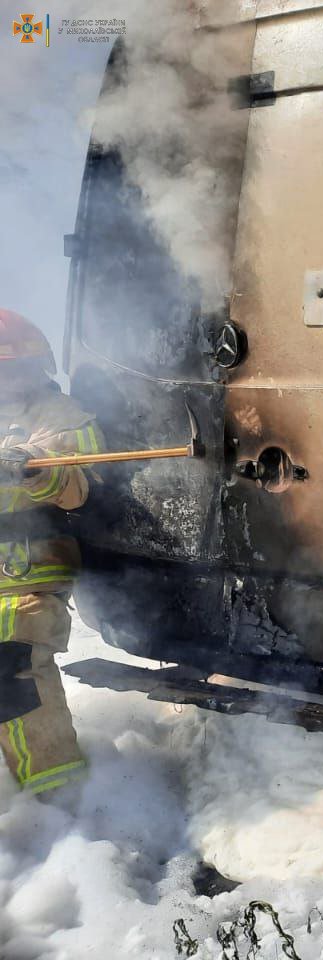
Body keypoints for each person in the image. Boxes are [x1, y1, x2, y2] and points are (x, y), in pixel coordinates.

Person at [0, 308, 103, 800]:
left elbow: (81, 486)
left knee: (12, 669)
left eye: (9, 369)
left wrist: (33, 469)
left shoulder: (62, 417)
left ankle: (58, 805)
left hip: (26, 568)